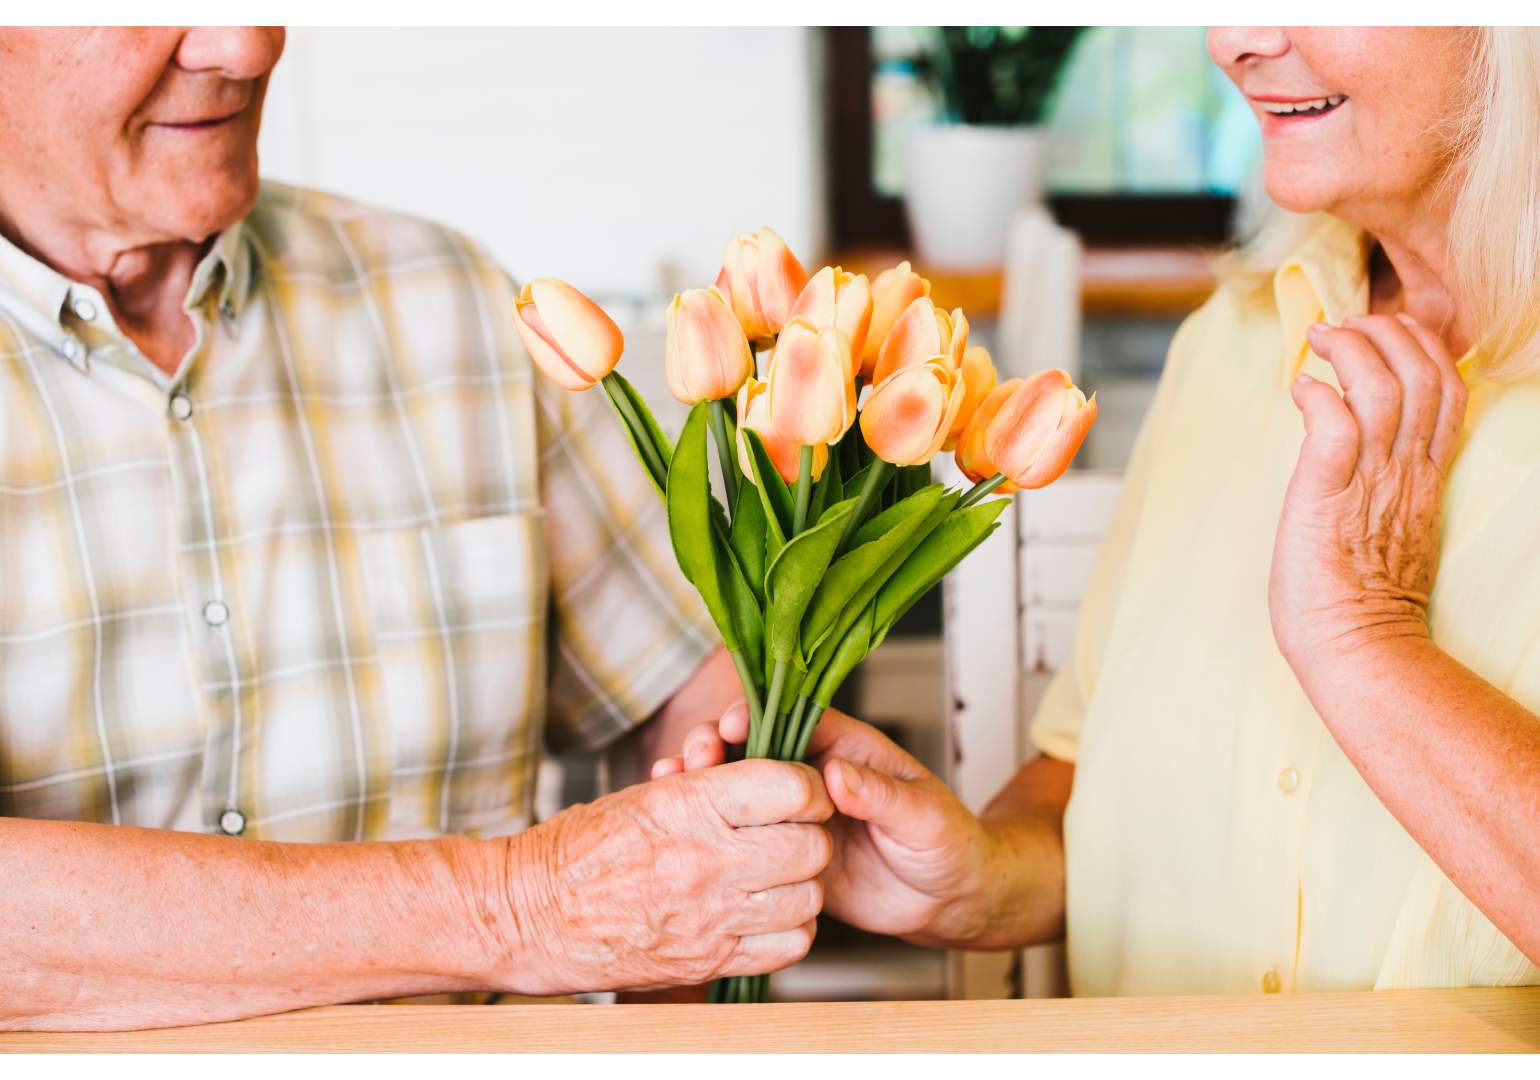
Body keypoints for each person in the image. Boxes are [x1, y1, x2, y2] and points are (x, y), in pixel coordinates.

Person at [664, 26, 1540, 992]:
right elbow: (1087, 783)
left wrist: (1362, 639)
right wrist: (970, 876)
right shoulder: (1235, 340)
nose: (1233, 39)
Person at [0, 27, 829, 1031]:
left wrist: (742, 793)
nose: (247, 44)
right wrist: (521, 905)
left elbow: (692, 687)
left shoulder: (448, 293)